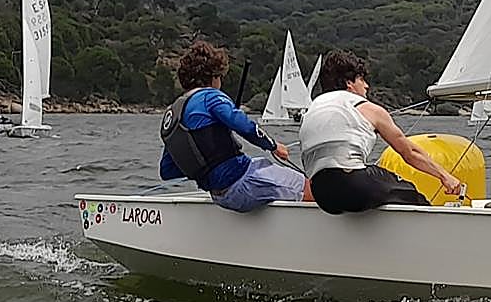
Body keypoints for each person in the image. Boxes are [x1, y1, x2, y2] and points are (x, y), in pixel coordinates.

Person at [300, 49, 463, 214]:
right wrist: (445, 176)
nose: (366, 85)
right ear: (349, 83)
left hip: (322, 196)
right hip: (353, 186)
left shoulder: (312, 109)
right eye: (361, 79)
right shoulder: (368, 108)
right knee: (409, 192)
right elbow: (410, 153)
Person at [159, 40, 310, 212]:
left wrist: (206, 165)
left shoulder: (174, 113)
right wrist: (274, 146)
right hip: (242, 181)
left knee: (262, 166)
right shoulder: (211, 97)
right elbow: (244, 126)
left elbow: (167, 171)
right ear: (214, 76)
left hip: (219, 195)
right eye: (220, 77)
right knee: (308, 187)